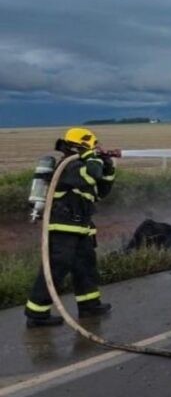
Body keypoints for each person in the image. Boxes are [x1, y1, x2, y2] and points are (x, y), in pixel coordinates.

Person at [24, 127, 116, 327]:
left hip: (81, 228)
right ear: (83, 145)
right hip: (62, 228)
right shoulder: (69, 167)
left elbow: (100, 192)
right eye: (94, 144)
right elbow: (92, 175)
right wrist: (93, 158)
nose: (98, 147)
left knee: (85, 267)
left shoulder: (82, 165)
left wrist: (108, 167)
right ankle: (36, 314)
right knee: (56, 268)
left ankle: (89, 305)